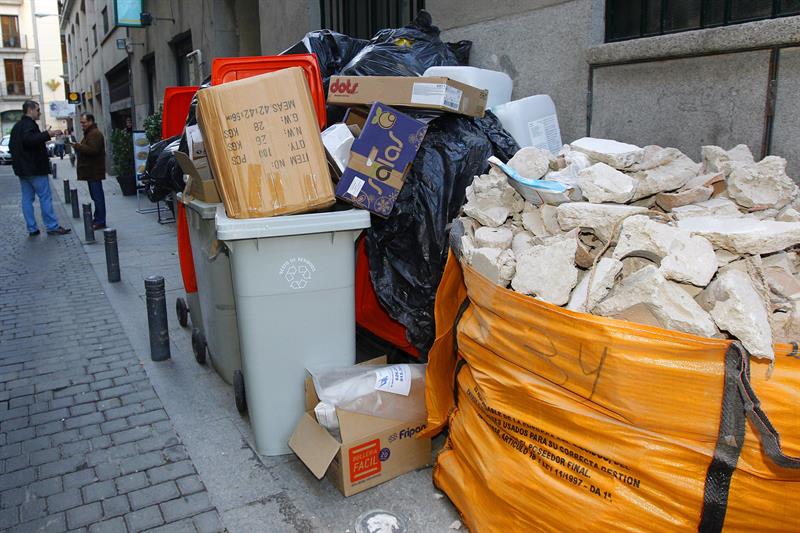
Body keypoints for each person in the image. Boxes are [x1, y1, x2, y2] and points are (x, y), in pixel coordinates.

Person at [9, 100, 71, 236]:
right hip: (35, 169)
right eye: (38, 110)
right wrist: (47, 134)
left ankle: (32, 228)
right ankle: (52, 226)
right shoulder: (28, 125)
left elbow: (14, 146)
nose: (40, 113)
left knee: (27, 198)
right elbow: (29, 140)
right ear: (30, 110)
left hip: (23, 171)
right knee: (45, 197)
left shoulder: (17, 127)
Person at [71, 113, 107, 230]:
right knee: (95, 196)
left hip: (94, 170)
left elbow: (94, 150)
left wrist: (78, 146)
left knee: (97, 196)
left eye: (83, 122)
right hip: (91, 170)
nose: (82, 124)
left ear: (90, 121)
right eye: (81, 122)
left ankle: (100, 220)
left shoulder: (94, 134)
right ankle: (98, 218)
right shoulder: (90, 133)